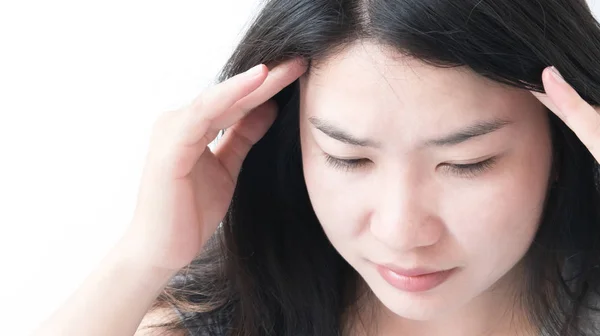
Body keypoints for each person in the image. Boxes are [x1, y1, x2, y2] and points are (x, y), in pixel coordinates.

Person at [32, 0, 600, 335]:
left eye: (467, 164)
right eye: (348, 158)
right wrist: (142, 259)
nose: (400, 231)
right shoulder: (221, 322)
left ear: (565, 142)